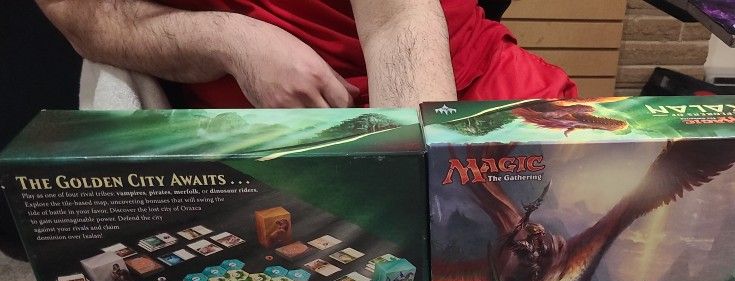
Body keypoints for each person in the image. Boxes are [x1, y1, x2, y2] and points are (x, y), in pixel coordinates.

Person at [36, 0, 577, 109]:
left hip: (444, 81)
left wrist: (414, 179)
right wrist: (231, 40)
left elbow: (397, 20)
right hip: (242, 118)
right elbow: (82, 16)